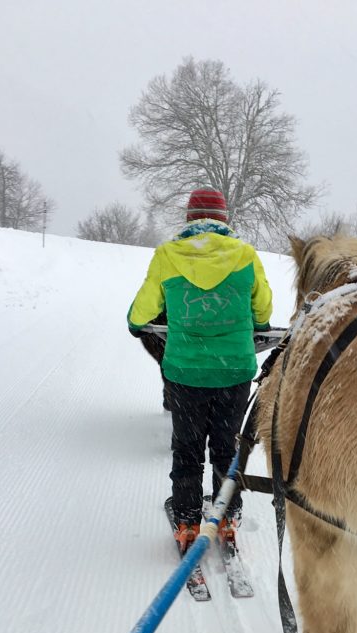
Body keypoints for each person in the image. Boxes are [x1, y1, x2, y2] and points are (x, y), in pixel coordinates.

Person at [127, 187, 273, 552]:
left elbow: (140, 314)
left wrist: (137, 324)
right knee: (227, 448)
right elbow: (264, 312)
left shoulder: (167, 255)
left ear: (190, 218)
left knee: (188, 449)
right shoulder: (245, 255)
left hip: (186, 374)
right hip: (234, 372)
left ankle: (188, 520)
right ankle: (226, 515)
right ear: (224, 219)